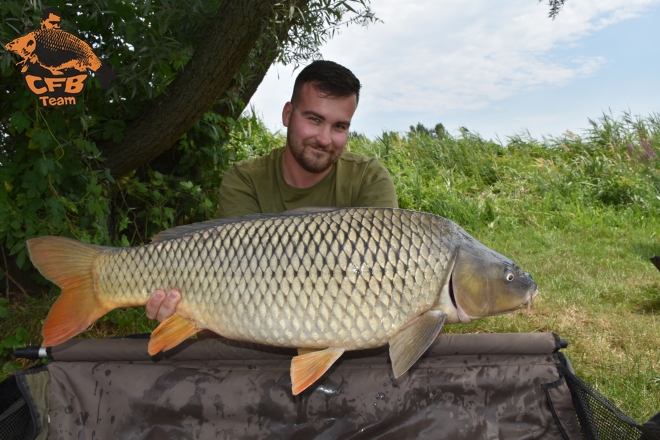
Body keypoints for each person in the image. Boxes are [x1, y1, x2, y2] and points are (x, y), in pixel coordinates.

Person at [145, 60, 398, 322]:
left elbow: (378, 283)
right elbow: (234, 284)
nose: (324, 138)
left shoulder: (369, 179)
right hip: (253, 327)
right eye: (314, 119)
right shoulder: (245, 180)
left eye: (339, 126)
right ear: (288, 114)